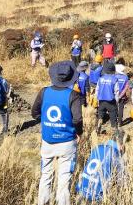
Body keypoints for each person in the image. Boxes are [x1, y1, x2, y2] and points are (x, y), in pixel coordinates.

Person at [31, 61, 83, 205]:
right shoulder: (73, 95)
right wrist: (79, 133)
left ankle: (43, 202)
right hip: (67, 141)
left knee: (46, 175)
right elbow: (77, 119)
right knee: (64, 178)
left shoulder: (44, 92)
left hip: (47, 141)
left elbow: (34, 112)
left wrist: (45, 121)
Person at [76, 131, 127, 203]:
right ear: (122, 145)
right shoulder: (115, 154)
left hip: (80, 189)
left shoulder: (97, 148)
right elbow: (122, 181)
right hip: (96, 196)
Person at [95, 62, 120, 134]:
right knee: (113, 118)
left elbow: (97, 90)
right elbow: (116, 92)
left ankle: (98, 129)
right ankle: (115, 133)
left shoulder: (100, 79)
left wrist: (97, 99)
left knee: (100, 116)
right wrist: (116, 102)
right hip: (111, 102)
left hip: (101, 101)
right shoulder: (114, 79)